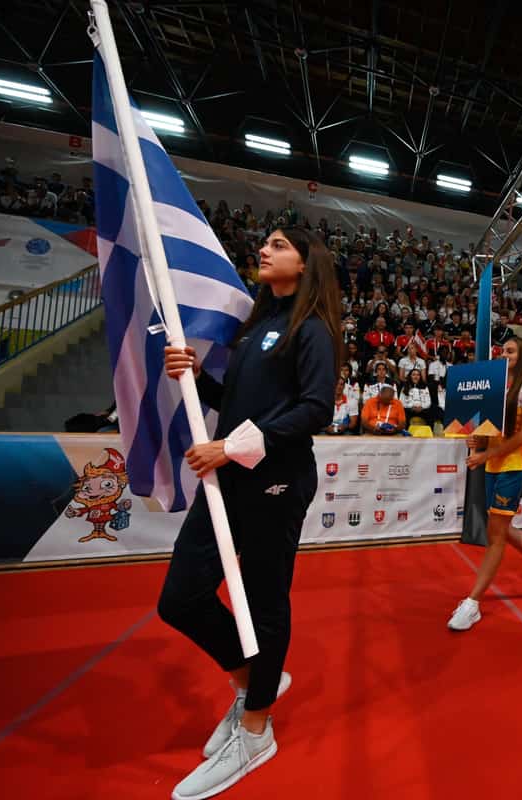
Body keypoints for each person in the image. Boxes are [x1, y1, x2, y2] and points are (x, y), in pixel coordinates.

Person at [159, 227, 340, 799]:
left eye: (279, 244)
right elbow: (237, 404)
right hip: (230, 476)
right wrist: (196, 377)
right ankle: (254, 681)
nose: (264, 249)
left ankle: (257, 729)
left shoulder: (313, 329)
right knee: (180, 599)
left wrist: (230, 446)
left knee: (264, 602)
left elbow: (316, 408)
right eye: (265, 243)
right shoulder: (256, 328)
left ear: (306, 263)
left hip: (277, 480)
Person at [447, 337, 522, 632]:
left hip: (513, 469)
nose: (503, 354)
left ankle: (473, 603)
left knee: (495, 536)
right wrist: (477, 439)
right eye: (502, 350)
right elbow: (490, 430)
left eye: (510, 351)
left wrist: (486, 454)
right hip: (492, 468)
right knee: (501, 527)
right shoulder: (494, 387)